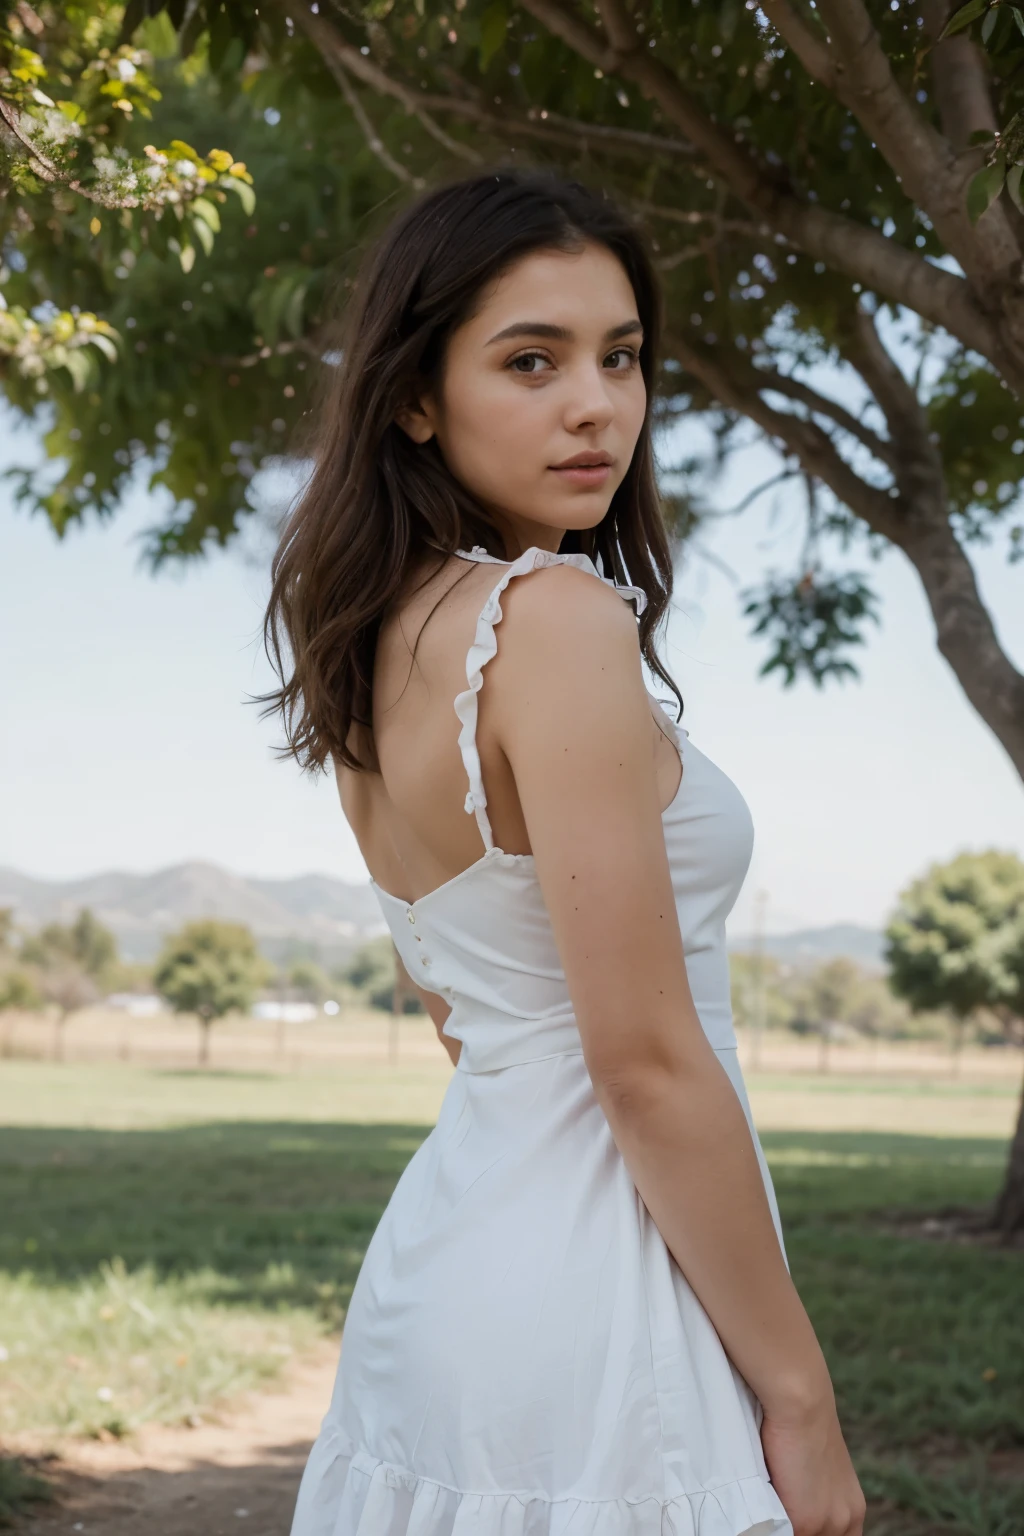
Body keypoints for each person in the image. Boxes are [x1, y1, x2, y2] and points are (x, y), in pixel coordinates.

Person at [264, 168, 865, 1536]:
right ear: (416, 397)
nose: (597, 404)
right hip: (606, 1295)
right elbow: (644, 1064)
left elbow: (466, 1022)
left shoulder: (372, 657)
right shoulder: (557, 620)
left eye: (623, 356)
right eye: (530, 360)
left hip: (450, 1277)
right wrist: (803, 1400)